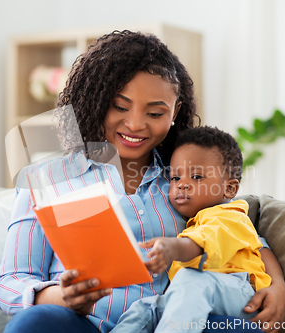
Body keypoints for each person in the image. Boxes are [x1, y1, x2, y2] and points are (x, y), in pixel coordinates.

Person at [0, 30, 285, 333]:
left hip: (171, 324)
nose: (135, 124)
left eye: (155, 112)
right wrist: (63, 297)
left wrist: (278, 286)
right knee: (34, 323)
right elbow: (11, 282)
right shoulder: (46, 181)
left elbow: (242, 236)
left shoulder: (185, 180)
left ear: (175, 112)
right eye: (120, 107)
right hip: (83, 324)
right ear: (96, 101)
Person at [110, 126, 271, 333]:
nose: (182, 185)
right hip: (199, 295)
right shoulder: (192, 220)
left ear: (229, 188)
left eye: (196, 177)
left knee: (191, 279)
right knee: (145, 307)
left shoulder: (230, 216)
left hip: (241, 293)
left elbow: (202, 242)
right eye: (175, 178)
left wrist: (173, 248)